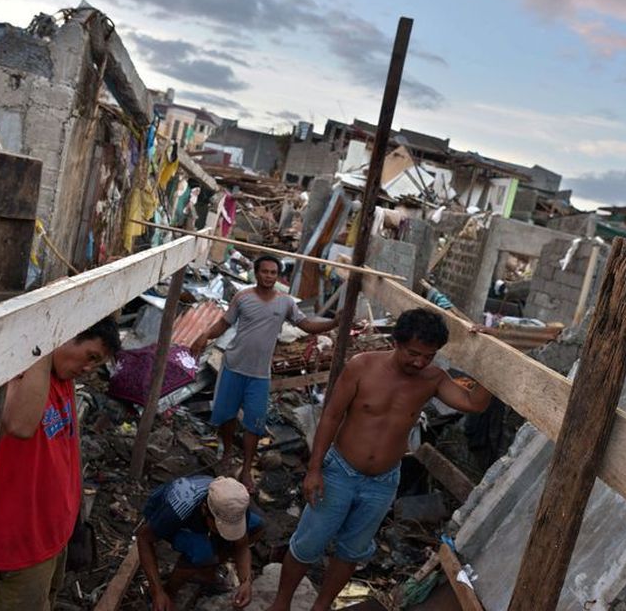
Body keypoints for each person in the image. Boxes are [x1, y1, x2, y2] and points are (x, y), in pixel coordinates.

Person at [267, 308, 493, 611]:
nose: (420, 362)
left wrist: (489, 356)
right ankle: (280, 604)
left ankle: (320, 607)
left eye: (428, 356)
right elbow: (331, 416)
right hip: (339, 472)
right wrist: (314, 469)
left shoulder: (433, 378)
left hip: (383, 482)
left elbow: (473, 403)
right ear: (397, 342)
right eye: (414, 353)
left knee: (352, 551)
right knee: (309, 541)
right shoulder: (362, 367)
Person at [0, 316, 121, 611]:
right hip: (21, 545)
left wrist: (75, 520)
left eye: (96, 364)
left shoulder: (63, 377)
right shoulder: (18, 375)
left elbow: (69, 449)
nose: (88, 369)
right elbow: (20, 424)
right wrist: (45, 337)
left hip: (54, 534)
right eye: (90, 357)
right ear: (63, 335)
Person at [194, 254, 340, 491]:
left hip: (260, 375)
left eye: (273, 273)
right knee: (226, 417)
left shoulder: (286, 302)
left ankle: (247, 470)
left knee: (254, 424)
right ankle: (227, 455)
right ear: (256, 273)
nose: (269, 276)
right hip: (233, 367)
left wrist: (333, 323)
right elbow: (224, 324)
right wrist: (204, 335)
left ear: (278, 276)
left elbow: (306, 325)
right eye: (265, 272)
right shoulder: (243, 297)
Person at [137, 476, 262, 610]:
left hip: (200, 520)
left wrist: (245, 581)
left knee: (257, 527)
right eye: (220, 526)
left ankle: (206, 571)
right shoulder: (178, 510)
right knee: (201, 552)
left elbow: (241, 545)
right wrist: (157, 592)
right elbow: (144, 539)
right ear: (204, 509)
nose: (224, 532)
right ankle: (169, 591)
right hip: (167, 517)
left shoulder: (236, 507)